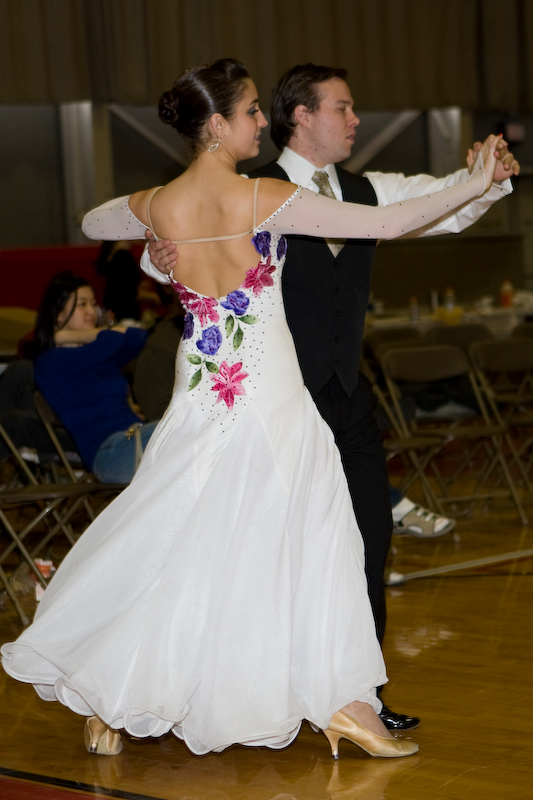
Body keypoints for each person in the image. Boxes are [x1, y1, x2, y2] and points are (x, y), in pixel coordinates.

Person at [2, 59, 500, 760]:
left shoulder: (159, 202)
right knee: (312, 539)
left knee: (183, 538)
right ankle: (345, 703)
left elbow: (91, 220)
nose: (262, 122)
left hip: (201, 394)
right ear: (216, 125)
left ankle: (114, 695)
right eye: (250, 112)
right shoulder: (264, 195)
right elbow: (386, 225)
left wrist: (156, 250)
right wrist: (475, 183)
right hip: (269, 394)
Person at [143, 63, 518, 729]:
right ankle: (264, 688)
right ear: (301, 115)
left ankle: (359, 696)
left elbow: (436, 207)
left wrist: (483, 180)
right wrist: (155, 255)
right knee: (271, 549)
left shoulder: (366, 190)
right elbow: (177, 238)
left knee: (370, 537)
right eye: (342, 108)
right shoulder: (252, 190)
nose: (355, 120)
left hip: (346, 396)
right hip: (273, 400)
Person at [31, 272, 156, 483]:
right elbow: (115, 339)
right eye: (82, 305)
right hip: (109, 452)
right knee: (186, 429)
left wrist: (67, 335)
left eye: (93, 303)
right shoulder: (50, 362)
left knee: (193, 432)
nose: (92, 311)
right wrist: (86, 335)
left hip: (136, 437)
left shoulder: (101, 357)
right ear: (58, 314)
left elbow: (138, 337)